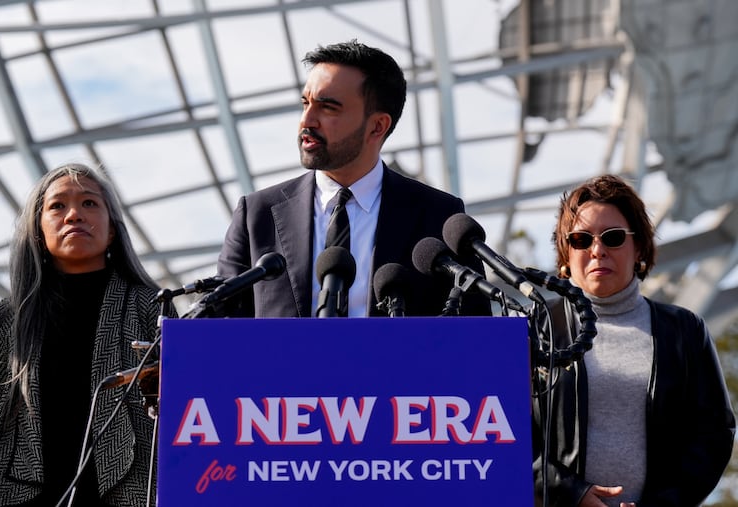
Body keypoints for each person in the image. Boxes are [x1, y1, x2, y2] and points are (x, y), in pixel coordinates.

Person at [217, 40, 488, 317]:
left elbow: (476, 337)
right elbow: (216, 333)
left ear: (377, 126)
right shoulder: (257, 215)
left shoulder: (439, 218)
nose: (307, 120)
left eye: (328, 107)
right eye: (305, 103)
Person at [532, 174, 735, 506]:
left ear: (639, 246)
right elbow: (504, 433)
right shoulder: (536, 329)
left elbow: (714, 434)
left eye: (612, 237)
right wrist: (571, 492)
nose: (597, 250)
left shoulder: (684, 331)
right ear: (566, 254)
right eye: (581, 239)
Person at [0, 164, 174, 506]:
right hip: (25, 494)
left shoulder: (151, 307)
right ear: (38, 230)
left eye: (89, 204)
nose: (74, 216)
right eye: (57, 206)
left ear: (112, 229)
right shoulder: (10, 316)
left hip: (131, 490)